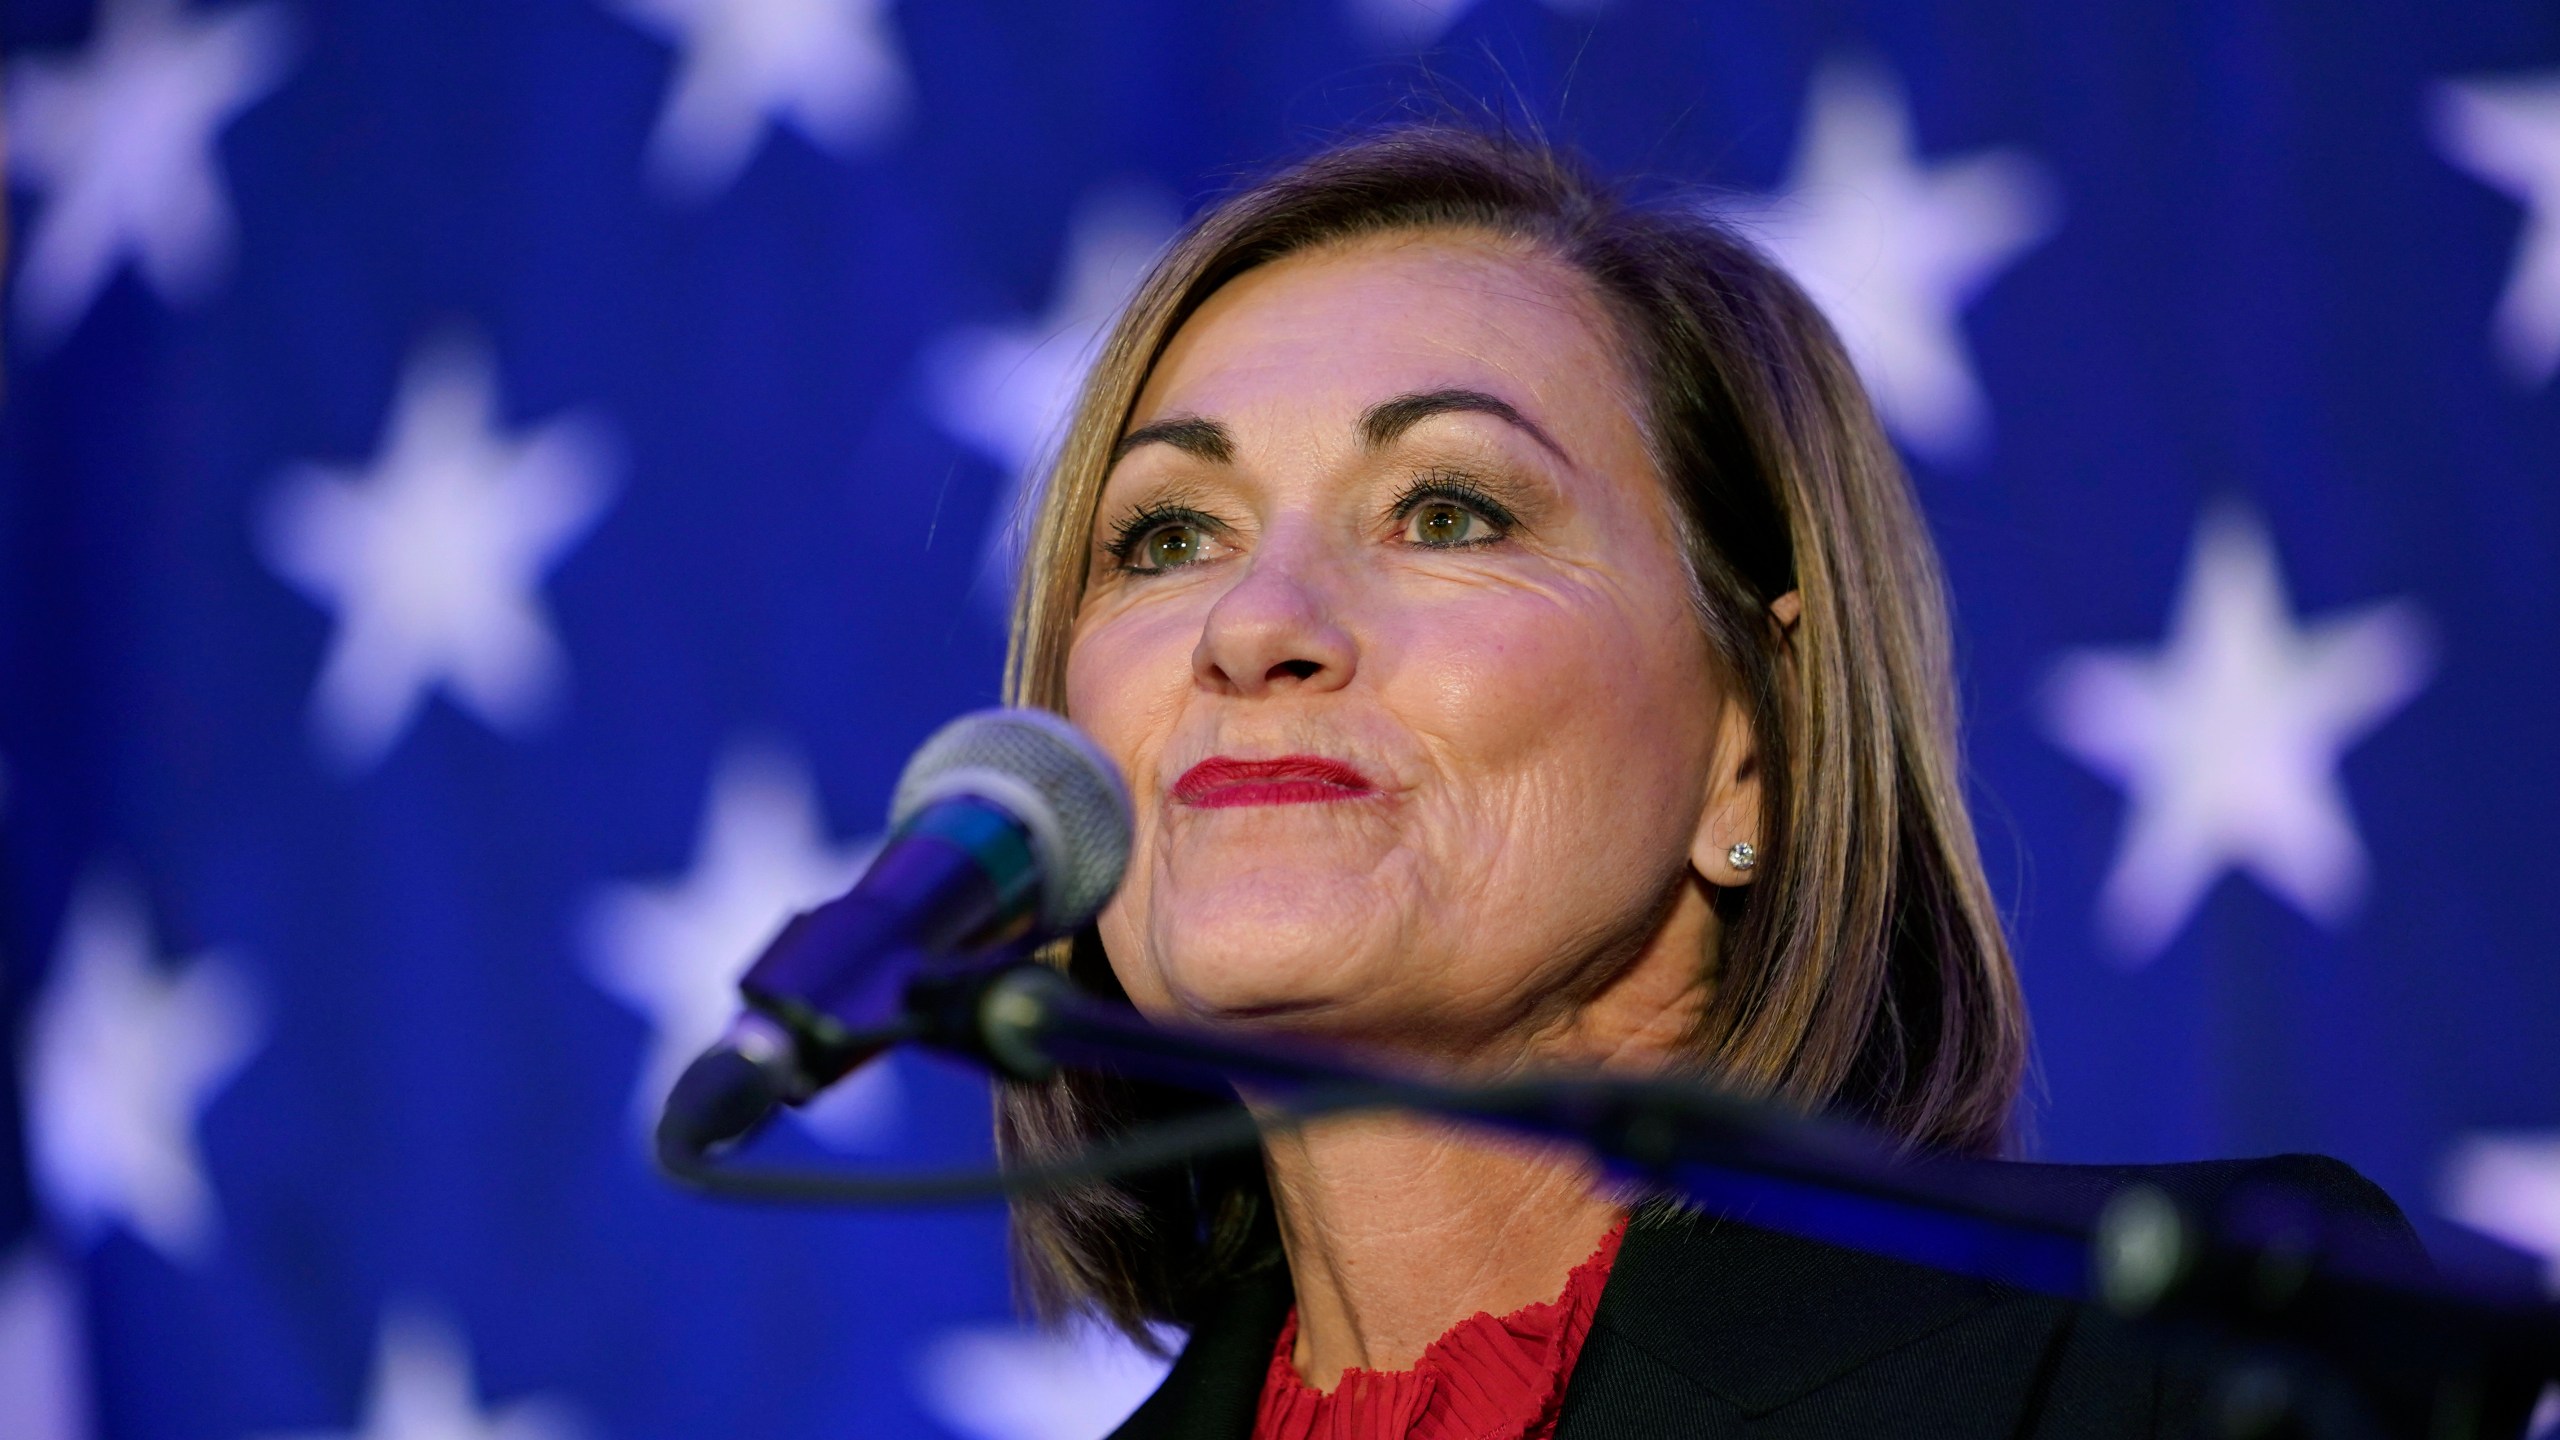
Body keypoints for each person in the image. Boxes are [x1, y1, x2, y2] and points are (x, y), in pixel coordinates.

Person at [986, 126, 2481, 1439]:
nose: (1254, 625)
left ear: (1752, 746)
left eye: (1446, 513)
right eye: (1168, 539)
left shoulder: (2175, 1362)